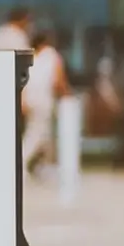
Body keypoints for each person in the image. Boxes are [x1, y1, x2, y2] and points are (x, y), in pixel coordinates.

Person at [22, 28, 71, 178]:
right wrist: (67, 94)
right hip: (43, 100)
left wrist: (22, 101)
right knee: (35, 134)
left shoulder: (31, 57)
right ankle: (20, 163)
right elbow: (58, 80)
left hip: (31, 99)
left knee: (44, 135)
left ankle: (43, 167)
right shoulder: (51, 55)